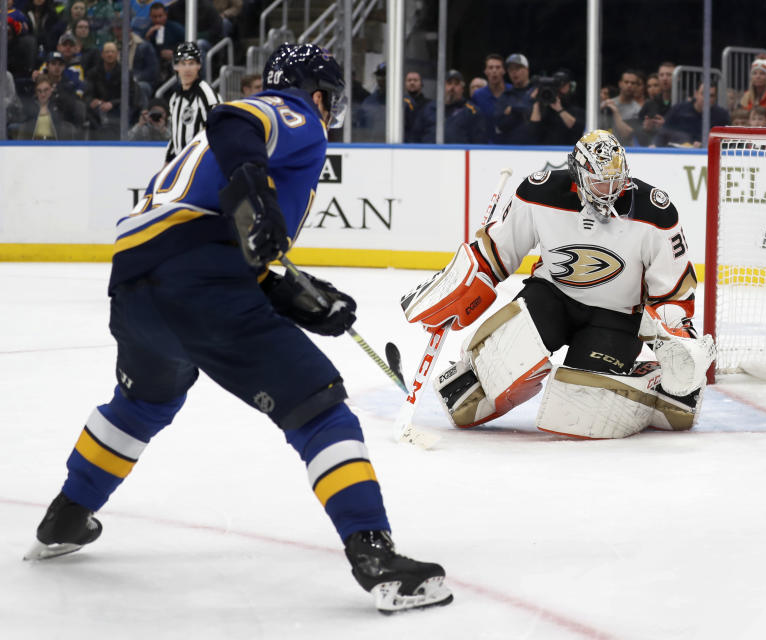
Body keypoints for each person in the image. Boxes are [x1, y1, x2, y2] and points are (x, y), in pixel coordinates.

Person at [24, 43, 453, 615]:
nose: (330, 110)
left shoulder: (209, 156)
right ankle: (372, 551)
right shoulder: (295, 111)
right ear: (317, 92)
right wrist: (253, 187)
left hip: (135, 283)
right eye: (331, 98)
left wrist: (289, 295)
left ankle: (68, 515)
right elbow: (235, 118)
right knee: (318, 406)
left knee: (143, 403)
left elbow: (213, 234)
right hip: (195, 282)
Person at [401, 129, 714, 439]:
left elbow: (673, 292)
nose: (610, 190)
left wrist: (677, 340)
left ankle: (649, 380)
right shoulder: (540, 193)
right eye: (600, 181)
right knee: (467, 406)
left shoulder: (654, 212)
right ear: (578, 175)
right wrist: (459, 285)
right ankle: (480, 370)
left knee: (578, 408)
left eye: (616, 180)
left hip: (617, 318)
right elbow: (497, 252)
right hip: (551, 299)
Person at [165, 41, 221, 163]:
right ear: (175, 66)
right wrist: (168, 163)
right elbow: (175, 135)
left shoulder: (206, 93)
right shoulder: (175, 99)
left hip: (202, 162)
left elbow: (218, 127)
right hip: (181, 163)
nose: (187, 69)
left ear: (199, 66)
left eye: (191, 63)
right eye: (183, 64)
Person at [85, 41, 141, 139]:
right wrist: (94, 101)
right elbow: (87, 93)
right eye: (107, 52)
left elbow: (130, 96)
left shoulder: (125, 73)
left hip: (118, 110)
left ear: (117, 54)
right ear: (102, 54)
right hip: (98, 110)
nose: (109, 54)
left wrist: (112, 103)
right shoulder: (93, 73)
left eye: (112, 52)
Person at [654, 83, 729, 147]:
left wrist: (705, 145)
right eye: (703, 94)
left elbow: (727, 142)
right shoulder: (678, 110)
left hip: (708, 156)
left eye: (711, 96)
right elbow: (662, 134)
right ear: (696, 94)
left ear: (715, 98)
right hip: (678, 154)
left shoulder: (722, 115)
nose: (707, 98)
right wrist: (655, 146)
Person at [526, 69, 585, 146]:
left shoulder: (577, 111)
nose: (559, 89)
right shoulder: (541, 110)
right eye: (556, 85)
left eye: (563, 85)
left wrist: (559, 109)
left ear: (570, 86)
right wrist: (537, 101)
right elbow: (532, 133)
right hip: (544, 154)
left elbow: (579, 130)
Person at [11, 74, 77, 139]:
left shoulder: (58, 105)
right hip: (33, 145)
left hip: (55, 145)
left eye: (46, 90)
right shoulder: (30, 107)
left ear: (51, 89)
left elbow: (71, 110)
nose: (43, 94)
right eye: (39, 91)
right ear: (36, 92)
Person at [494, 52, 535, 144]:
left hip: (535, 149)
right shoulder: (505, 96)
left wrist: (513, 109)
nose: (514, 72)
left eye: (518, 68)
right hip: (511, 149)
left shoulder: (536, 92)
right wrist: (523, 111)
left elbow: (534, 116)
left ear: (527, 69)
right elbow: (499, 125)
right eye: (511, 69)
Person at [471, 53, 510, 143]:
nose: (494, 71)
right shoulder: (478, 95)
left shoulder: (512, 92)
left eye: (497, 67)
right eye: (491, 67)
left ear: (504, 71)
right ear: (485, 71)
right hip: (485, 147)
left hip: (510, 146)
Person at [599, 69, 644, 143]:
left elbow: (627, 134)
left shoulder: (638, 110)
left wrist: (615, 112)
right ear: (620, 83)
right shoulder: (607, 104)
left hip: (627, 151)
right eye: (626, 82)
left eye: (633, 83)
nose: (629, 85)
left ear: (636, 86)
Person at [442, 68, 484, 143]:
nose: (452, 87)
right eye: (449, 83)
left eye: (456, 84)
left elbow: (479, 142)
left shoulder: (472, 111)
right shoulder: (430, 108)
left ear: (462, 88)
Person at [633, 72, 669, 146]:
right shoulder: (648, 104)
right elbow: (637, 125)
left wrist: (664, 124)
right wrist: (645, 127)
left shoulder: (669, 102)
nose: (652, 89)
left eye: (656, 85)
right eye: (649, 86)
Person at [402, 70, 434, 143]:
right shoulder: (399, 105)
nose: (412, 83)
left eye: (415, 80)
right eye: (409, 80)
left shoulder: (429, 105)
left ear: (421, 84)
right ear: (405, 84)